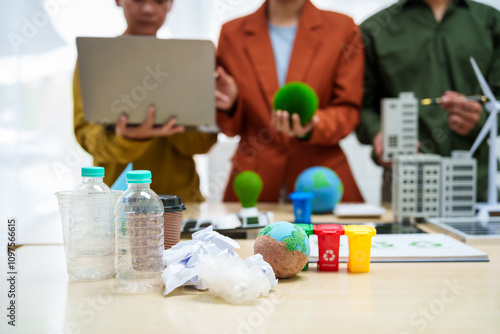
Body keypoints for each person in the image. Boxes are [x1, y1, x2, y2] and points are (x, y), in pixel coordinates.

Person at [73, 0, 237, 202]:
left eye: (159, 1)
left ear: (170, 4)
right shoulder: (95, 60)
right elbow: (86, 135)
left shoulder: (190, 61)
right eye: (138, 0)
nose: (148, 9)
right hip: (117, 205)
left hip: (180, 205)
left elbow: (201, 145)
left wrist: (221, 108)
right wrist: (128, 139)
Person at [216, 0, 365, 203]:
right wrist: (231, 104)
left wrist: (316, 124)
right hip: (255, 180)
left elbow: (349, 110)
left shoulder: (343, 29)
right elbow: (229, 127)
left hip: (322, 181)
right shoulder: (231, 33)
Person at [356, 0, 500, 202]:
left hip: (478, 184)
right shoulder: (374, 29)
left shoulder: (493, 22)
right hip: (404, 186)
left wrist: (483, 117)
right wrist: (378, 132)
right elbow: (360, 106)